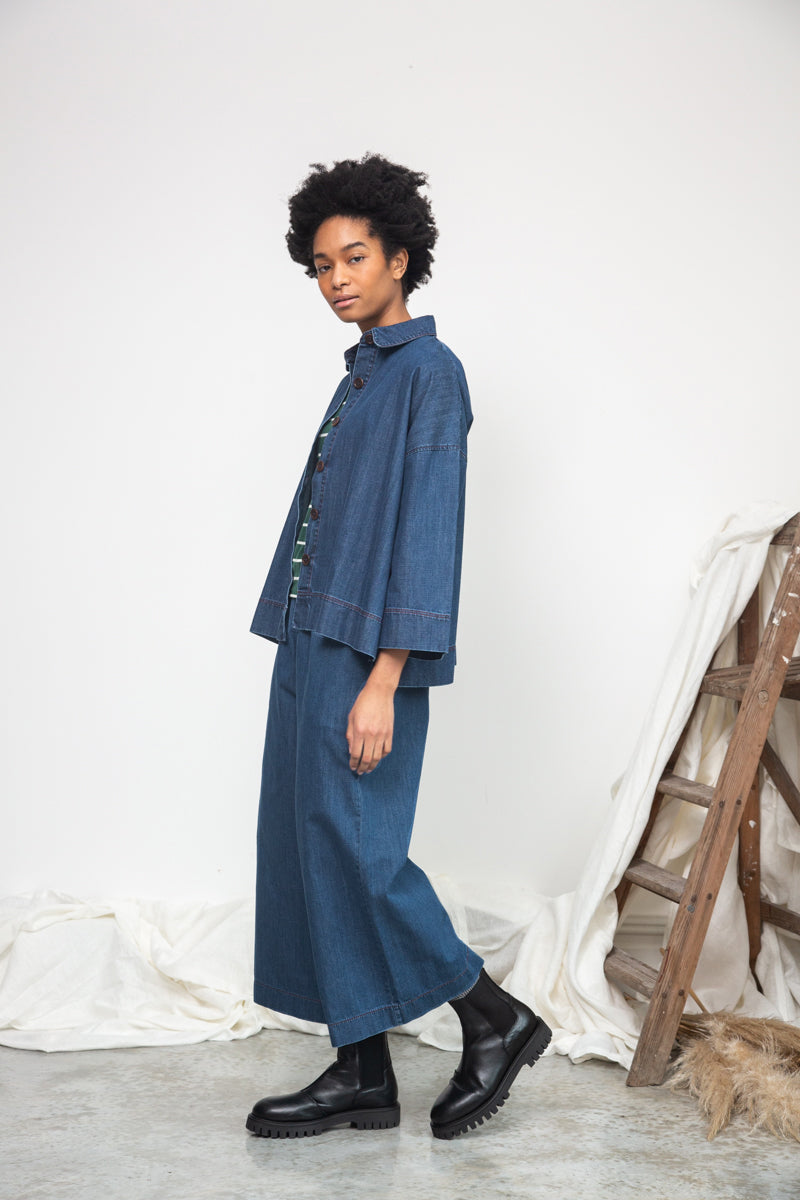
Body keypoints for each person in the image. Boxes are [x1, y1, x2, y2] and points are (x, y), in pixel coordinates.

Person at [246, 154, 551, 1140]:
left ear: (399, 258)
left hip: (364, 655)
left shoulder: (429, 374)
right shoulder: (362, 375)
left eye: (353, 257)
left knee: (362, 853)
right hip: (309, 639)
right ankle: (361, 1070)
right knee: (310, 851)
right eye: (321, 265)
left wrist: (384, 680)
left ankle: (493, 1018)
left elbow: (426, 535)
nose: (335, 278)